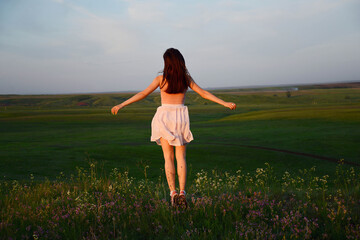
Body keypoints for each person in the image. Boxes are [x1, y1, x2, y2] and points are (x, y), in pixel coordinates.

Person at [111, 48, 236, 207]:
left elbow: (143, 94)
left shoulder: (160, 79)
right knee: (181, 158)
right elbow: (203, 93)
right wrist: (224, 103)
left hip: (164, 118)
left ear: (167, 62)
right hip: (180, 118)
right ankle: (182, 192)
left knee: (168, 158)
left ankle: (173, 193)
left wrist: (122, 104)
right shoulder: (185, 78)